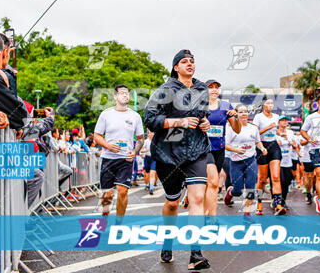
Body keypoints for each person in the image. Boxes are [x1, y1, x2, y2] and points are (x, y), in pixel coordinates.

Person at [144, 49, 211, 270]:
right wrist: (178, 123)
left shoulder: (202, 88)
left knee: (198, 198)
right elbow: (150, 119)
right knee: (172, 202)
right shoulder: (165, 90)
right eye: (184, 62)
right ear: (176, 67)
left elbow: (202, 116)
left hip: (197, 151)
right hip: (169, 154)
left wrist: (205, 124)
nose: (190, 64)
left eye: (192, 61)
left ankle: (196, 254)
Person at [93, 84, 144, 217]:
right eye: (122, 93)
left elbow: (140, 139)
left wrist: (135, 151)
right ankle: (105, 211)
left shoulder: (135, 116)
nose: (125, 95)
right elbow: (97, 136)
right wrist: (108, 146)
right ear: (115, 96)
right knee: (107, 194)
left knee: (122, 191)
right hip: (108, 158)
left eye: (127, 93)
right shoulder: (106, 114)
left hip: (125, 159)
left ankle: (119, 222)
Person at [204, 79, 240, 219]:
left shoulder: (226, 106)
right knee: (213, 181)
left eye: (216, 88)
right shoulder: (200, 106)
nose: (214, 90)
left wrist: (235, 117)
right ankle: (212, 217)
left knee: (210, 185)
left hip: (219, 149)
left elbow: (236, 130)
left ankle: (204, 209)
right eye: (210, 87)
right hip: (204, 149)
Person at [223, 103, 267, 218]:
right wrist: (236, 150)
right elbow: (225, 145)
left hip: (250, 160)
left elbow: (257, 141)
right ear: (236, 114)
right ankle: (230, 193)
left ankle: (247, 214)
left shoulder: (253, 127)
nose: (244, 114)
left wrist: (262, 148)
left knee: (250, 187)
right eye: (241, 112)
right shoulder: (230, 128)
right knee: (237, 191)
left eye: (246, 111)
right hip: (236, 162)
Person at [253, 99, 285, 215]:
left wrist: (281, 135)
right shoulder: (258, 117)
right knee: (262, 178)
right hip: (262, 146)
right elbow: (255, 133)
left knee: (276, 176)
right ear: (263, 105)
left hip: (274, 146)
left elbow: (275, 130)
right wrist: (268, 127)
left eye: (272, 103)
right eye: (268, 103)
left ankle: (278, 203)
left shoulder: (276, 116)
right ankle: (259, 202)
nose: (270, 105)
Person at [276, 117, 295, 210]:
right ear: (278, 123)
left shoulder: (290, 133)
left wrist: (288, 140)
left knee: (287, 182)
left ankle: (283, 201)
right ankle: (277, 201)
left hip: (288, 161)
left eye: (285, 121)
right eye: (282, 121)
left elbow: (295, 145)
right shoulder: (275, 133)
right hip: (277, 161)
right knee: (280, 181)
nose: (284, 122)